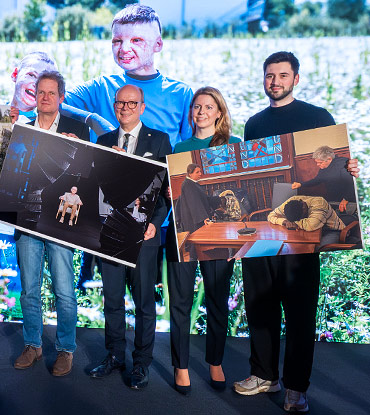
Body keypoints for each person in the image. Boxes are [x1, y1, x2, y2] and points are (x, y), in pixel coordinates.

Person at [233, 51, 358, 412]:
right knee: (260, 305)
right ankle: (264, 375)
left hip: (305, 233)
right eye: (269, 76)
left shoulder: (318, 118)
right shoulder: (254, 124)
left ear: (296, 79)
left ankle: (296, 388)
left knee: (300, 311)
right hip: (268, 229)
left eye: (283, 75)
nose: (275, 82)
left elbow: (336, 173)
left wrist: (350, 169)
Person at [88, 84, 170, 389]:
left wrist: (156, 223)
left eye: (132, 103)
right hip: (111, 232)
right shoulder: (103, 141)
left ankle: (141, 364)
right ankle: (114, 355)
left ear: (142, 107)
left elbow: (166, 191)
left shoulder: (159, 140)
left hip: (145, 235)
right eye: (120, 103)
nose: (125, 108)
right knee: (112, 300)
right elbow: (96, 189)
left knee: (144, 302)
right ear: (114, 106)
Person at [14, 70, 90, 377]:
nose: (45, 98)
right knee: (29, 290)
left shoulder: (77, 130)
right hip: (27, 217)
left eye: (51, 93)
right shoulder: (22, 130)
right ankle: (32, 345)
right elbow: (11, 174)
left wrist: (79, 152)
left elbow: (89, 176)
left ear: (61, 97)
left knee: (64, 290)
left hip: (60, 221)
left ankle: (66, 349)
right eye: (41, 92)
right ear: (35, 97)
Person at [167, 86, 242, 395]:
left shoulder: (234, 145)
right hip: (182, 234)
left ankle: (215, 362)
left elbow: (223, 198)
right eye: (197, 106)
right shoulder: (180, 147)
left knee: (217, 300)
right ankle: (181, 366)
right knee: (180, 301)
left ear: (219, 112)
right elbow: (178, 200)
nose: (201, 112)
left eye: (209, 107)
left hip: (218, 236)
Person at [64, 4, 193, 148]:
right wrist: (93, 120)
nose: (124, 49)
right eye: (117, 41)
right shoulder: (100, 87)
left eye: (136, 40)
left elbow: (198, 149)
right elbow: (51, 104)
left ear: (158, 44)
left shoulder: (181, 93)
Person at [291, 146, 356, 211]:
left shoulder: (343, 164)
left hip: (348, 200)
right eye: (317, 162)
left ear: (329, 159)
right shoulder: (324, 168)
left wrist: (346, 199)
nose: (317, 164)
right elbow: (317, 180)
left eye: (320, 162)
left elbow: (351, 182)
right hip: (334, 200)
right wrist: (301, 184)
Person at [267, 195, 345, 247]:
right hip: (307, 232)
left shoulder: (319, 203)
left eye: (301, 218)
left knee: (319, 249)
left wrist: (294, 224)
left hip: (330, 230)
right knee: (293, 247)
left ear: (304, 206)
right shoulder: (291, 202)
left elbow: (311, 225)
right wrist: (285, 222)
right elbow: (271, 216)